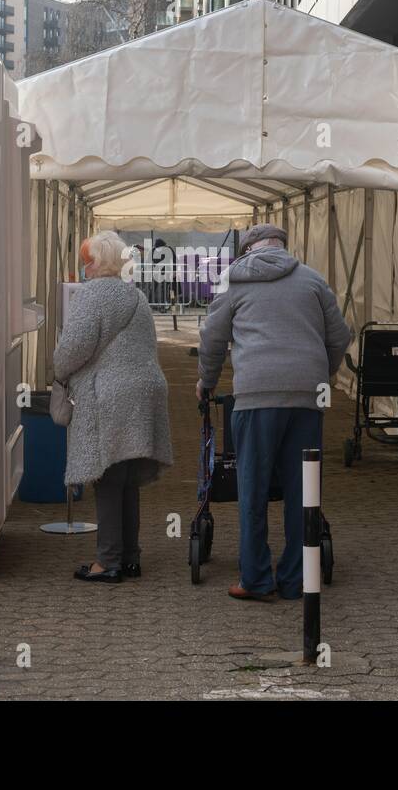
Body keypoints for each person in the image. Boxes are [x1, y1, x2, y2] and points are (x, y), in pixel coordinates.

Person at [197, 223, 351, 601]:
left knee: (253, 487)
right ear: (283, 247)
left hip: (255, 396)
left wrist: (207, 380)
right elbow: (340, 336)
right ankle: (296, 578)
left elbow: (212, 337)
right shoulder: (313, 280)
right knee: (304, 490)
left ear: (248, 248)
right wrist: (321, 373)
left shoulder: (232, 280)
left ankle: (255, 579)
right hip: (306, 397)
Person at [54, 231, 173, 583]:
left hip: (111, 396)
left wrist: (57, 370)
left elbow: (73, 348)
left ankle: (107, 563)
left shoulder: (93, 296)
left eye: (87, 260)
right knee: (125, 479)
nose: (84, 268)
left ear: (99, 263)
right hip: (144, 391)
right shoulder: (136, 296)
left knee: (106, 478)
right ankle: (130, 556)